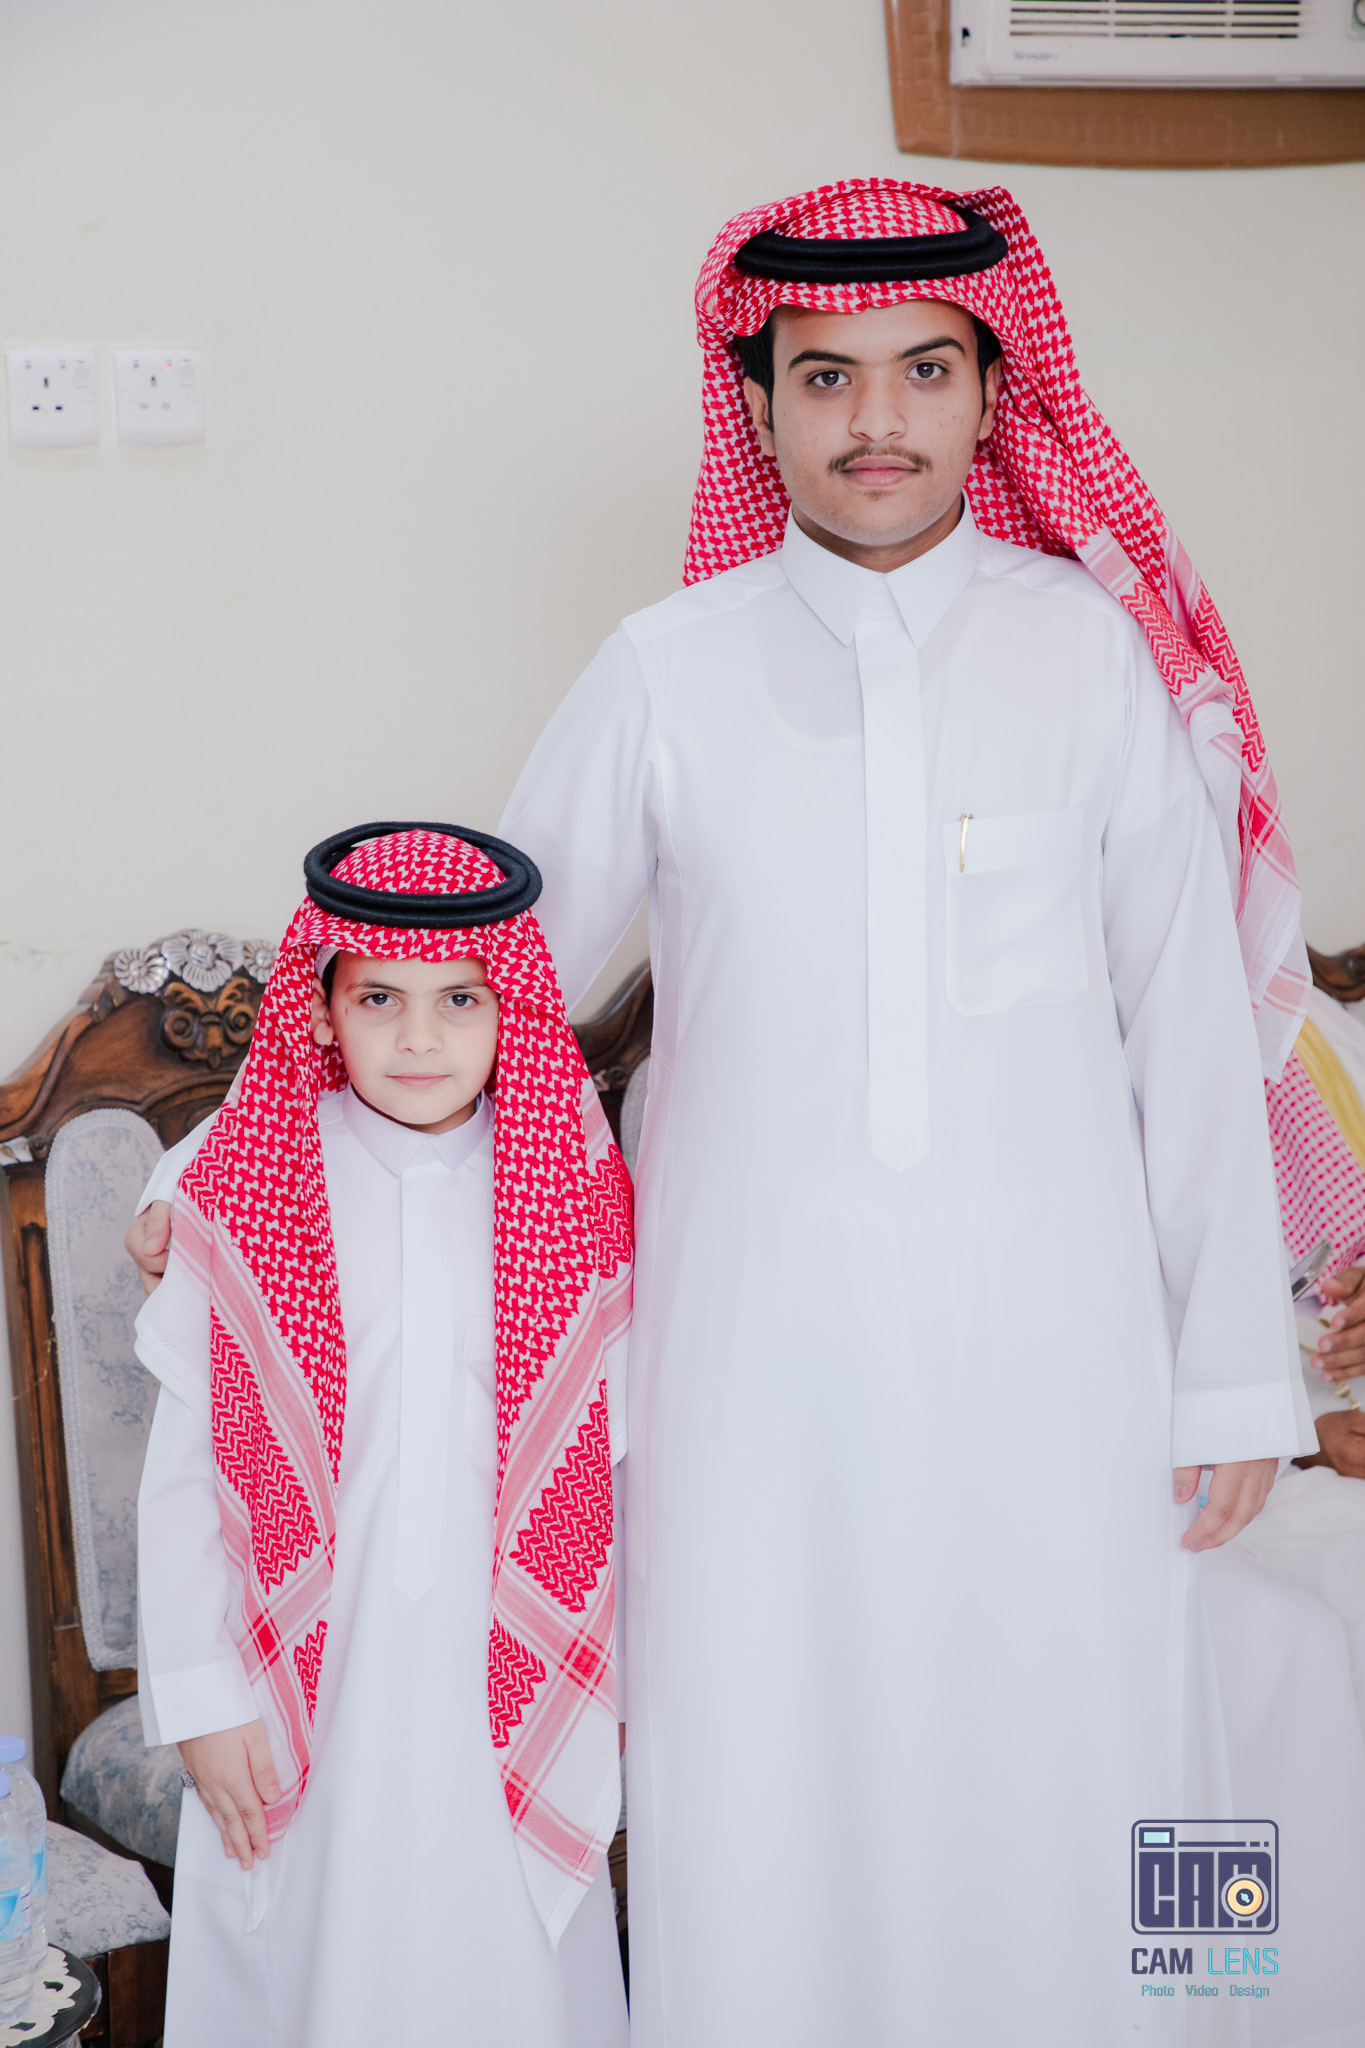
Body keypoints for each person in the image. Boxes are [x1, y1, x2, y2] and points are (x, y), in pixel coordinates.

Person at [129, 182, 1365, 2044]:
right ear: (760, 401)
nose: (878, 419)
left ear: (991, 391)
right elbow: (465, 968)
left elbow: (1186, 1032)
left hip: (1056, 1366)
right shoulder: (669, 669)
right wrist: (222, 1163)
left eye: (923, 371)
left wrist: (1231, 1380)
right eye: (826, 375)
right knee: (771, 1796)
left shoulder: (1091, 658)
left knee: (1085, 1766)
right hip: (743, 1383)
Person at [133, 825, 631, 2048]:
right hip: (298, 1686)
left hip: (503, 1674)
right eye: (379, 998)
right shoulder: (253, 1187)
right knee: (313, 1960)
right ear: (321, 1010)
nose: (420, 1037)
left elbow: (616, 1469)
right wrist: (199, 1697)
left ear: (511, 1007)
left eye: (460, 998)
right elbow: (187, 1472)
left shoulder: (572, 1189)